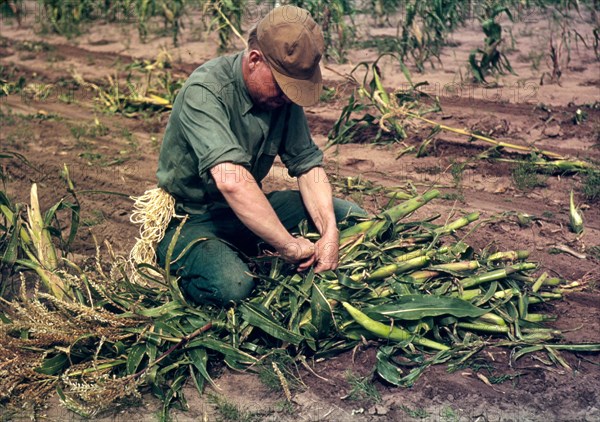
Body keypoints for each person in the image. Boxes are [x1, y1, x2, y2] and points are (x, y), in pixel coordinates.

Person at [155, 5, 365, 305]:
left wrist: (329, 232)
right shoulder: (205, 92)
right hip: (193, 218)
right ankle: (185, 262)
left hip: (248, 210)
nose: (287, 97)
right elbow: (233, 182)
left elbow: (308, 167)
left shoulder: (281, 99)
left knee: (352, 217)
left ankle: (251, 246)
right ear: (255, 60)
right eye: (283, 87)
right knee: (233, 286)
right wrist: (289, 246)